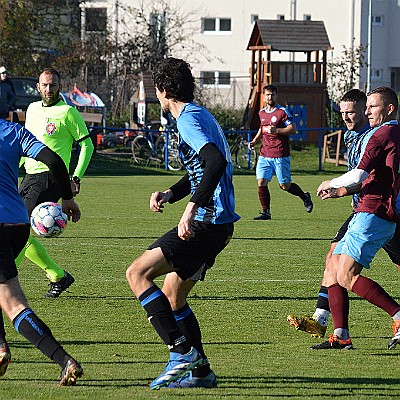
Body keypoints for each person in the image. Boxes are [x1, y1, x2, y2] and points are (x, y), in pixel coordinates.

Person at [125, 57, 240, 390]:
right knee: (173, 295)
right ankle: (202, 373)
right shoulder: (200, 116)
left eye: (157, 92)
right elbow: (201, 171)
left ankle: (180, 353)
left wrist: (190, 209)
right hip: (218, 224)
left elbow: (215, 163)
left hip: (206, 222)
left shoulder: (188, 120)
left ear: (163, 90)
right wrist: (171, 193)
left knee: (137, 273)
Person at [288, 89, 400, 338]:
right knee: (335, 260)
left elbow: (363, 175)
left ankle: (397, 316)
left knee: (347, 273)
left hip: (379, 209)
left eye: (356, 111)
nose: (348, 117)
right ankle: (333, 328)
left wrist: (336, 186)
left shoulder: (381, 133)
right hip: (366, 209)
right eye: (343, 113)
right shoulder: (359, 136)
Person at [0, 117, 83, 385]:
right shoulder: (12, 130)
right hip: (19, 224)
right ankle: (1, 349)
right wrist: (68, 198)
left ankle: (64, 360)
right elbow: (56, 161)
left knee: (13, 303)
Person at [17, 68, 94, 298]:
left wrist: (75, 177)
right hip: (30, 176)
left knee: (18, 230)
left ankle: (6, 277)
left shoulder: (68, 112)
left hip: (50, 179)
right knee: (17, 229)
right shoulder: (31, 109)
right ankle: (58, 275)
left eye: (53, 85)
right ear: (38, 87)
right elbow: (26, 143)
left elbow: (87, 145)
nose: (48, 89)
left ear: (59, 86)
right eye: (44, 85)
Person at [249, 84, 313, 220]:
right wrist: (255, 141)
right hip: (264, 154)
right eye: (267, 94)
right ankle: (266, 212)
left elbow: (293, 129)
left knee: (285, 185)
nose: (270, 97)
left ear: (276, 96)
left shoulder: (282, 112)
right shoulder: (261, 112)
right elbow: (262, 128)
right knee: (261, 182)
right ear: (264, 96)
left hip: (280, 154)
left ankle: (304, 196)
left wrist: (277, 130)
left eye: (272, 94)